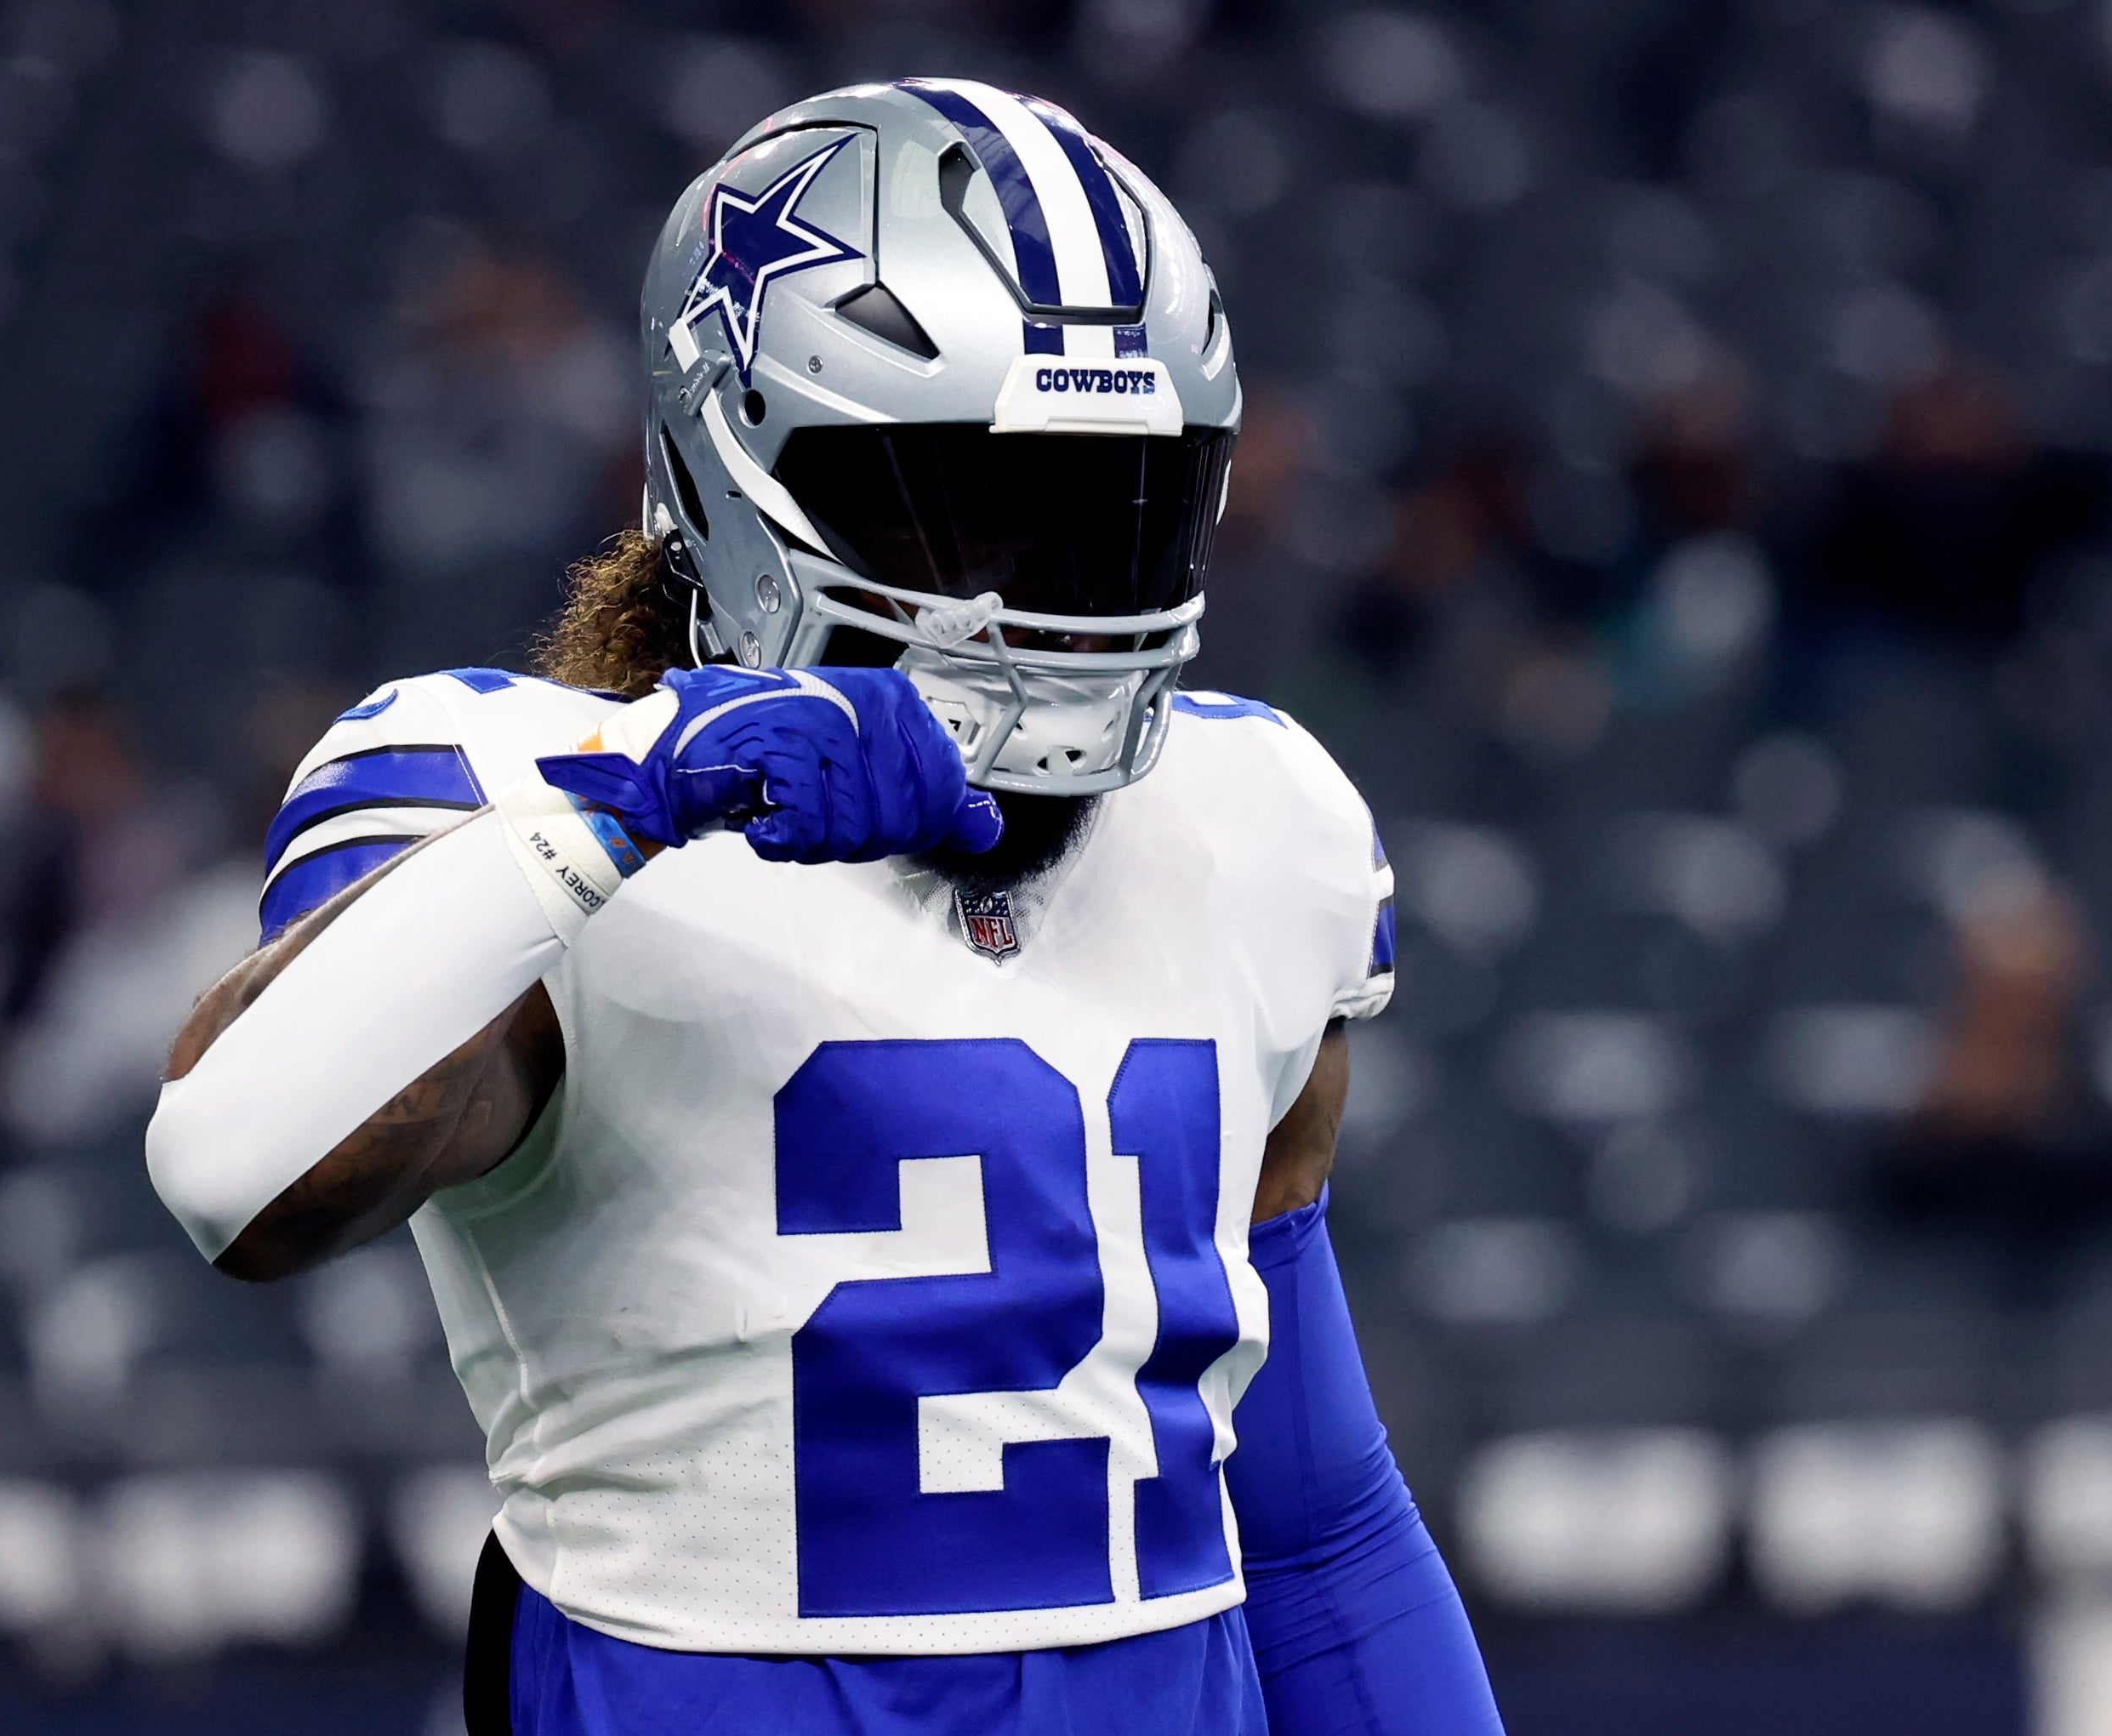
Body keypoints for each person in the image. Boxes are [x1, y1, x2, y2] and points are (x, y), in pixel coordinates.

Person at [148, 81, 1501, 1736]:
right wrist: (633, 800)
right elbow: (236, 1171)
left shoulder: (1257, 820)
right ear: (738, 464)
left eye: (1117, 504)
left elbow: (1315, 1530)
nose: (1054, 594)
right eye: (970, 503)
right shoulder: (526, 795)